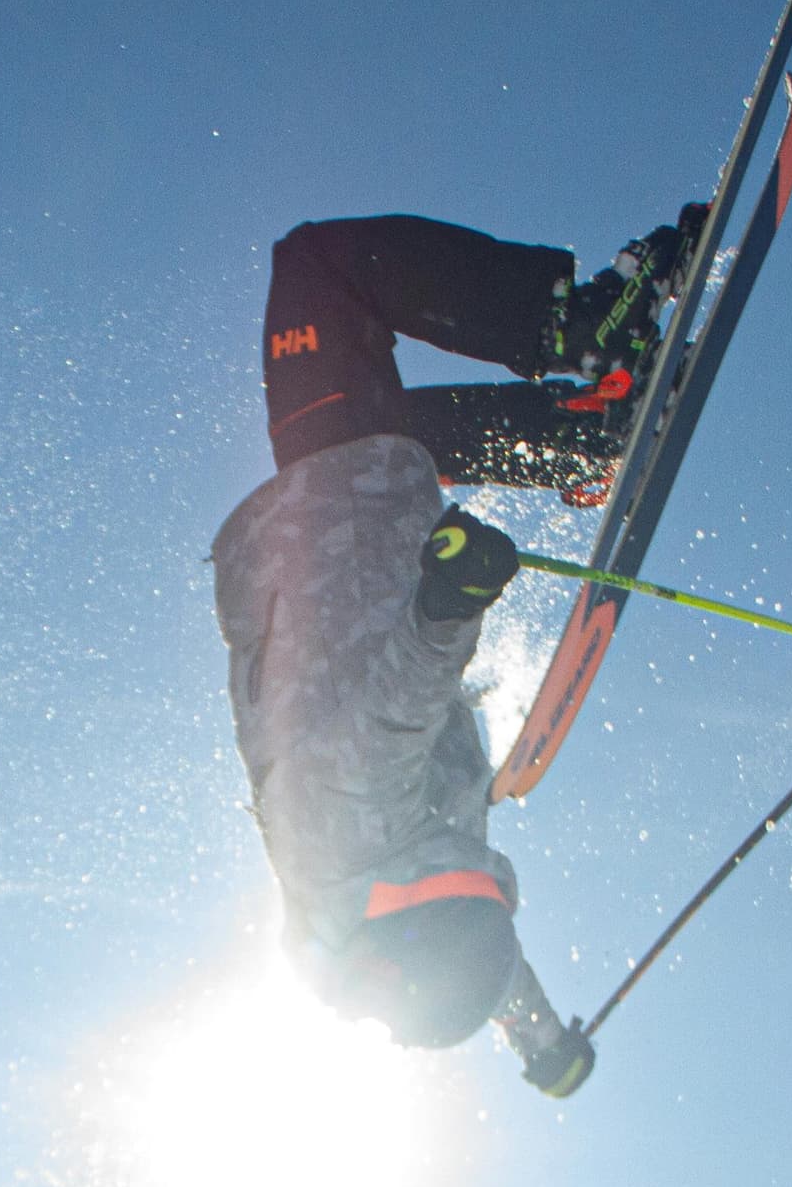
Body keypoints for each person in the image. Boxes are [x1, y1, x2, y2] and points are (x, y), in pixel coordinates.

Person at [211, 208, 705, 1098]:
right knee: (322, 268)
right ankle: (577, 342)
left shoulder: (368, 864)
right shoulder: (379, 898)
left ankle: (584, 428)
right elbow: (482, 972)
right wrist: (538, 1041)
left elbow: (384, 738)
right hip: (343, 517)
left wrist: (446, 611)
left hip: (363, 530)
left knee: (371, 397)